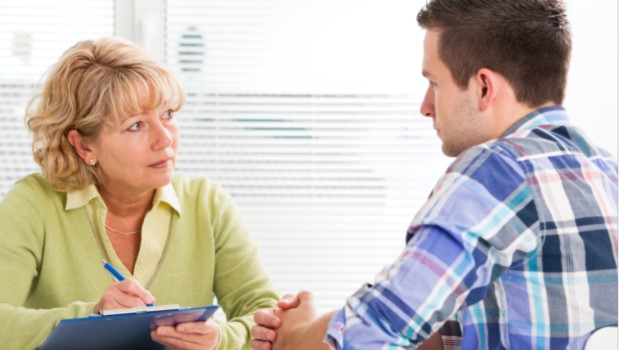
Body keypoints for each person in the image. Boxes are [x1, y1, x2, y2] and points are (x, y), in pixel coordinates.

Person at [250, 0, 618, 349]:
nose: (426, 106)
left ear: (484, 87)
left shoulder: (497, 172)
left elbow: (370, 334)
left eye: (435, 83)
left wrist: (292, 337)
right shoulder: (607, 173)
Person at [0, 36, 279, 349]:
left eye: (168, 114)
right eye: (136, 125)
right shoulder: (33, 204)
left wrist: (220, 340)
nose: (165, 139)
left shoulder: (207, 204)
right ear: (83, 144)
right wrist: (92, 316)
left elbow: (265, 315)